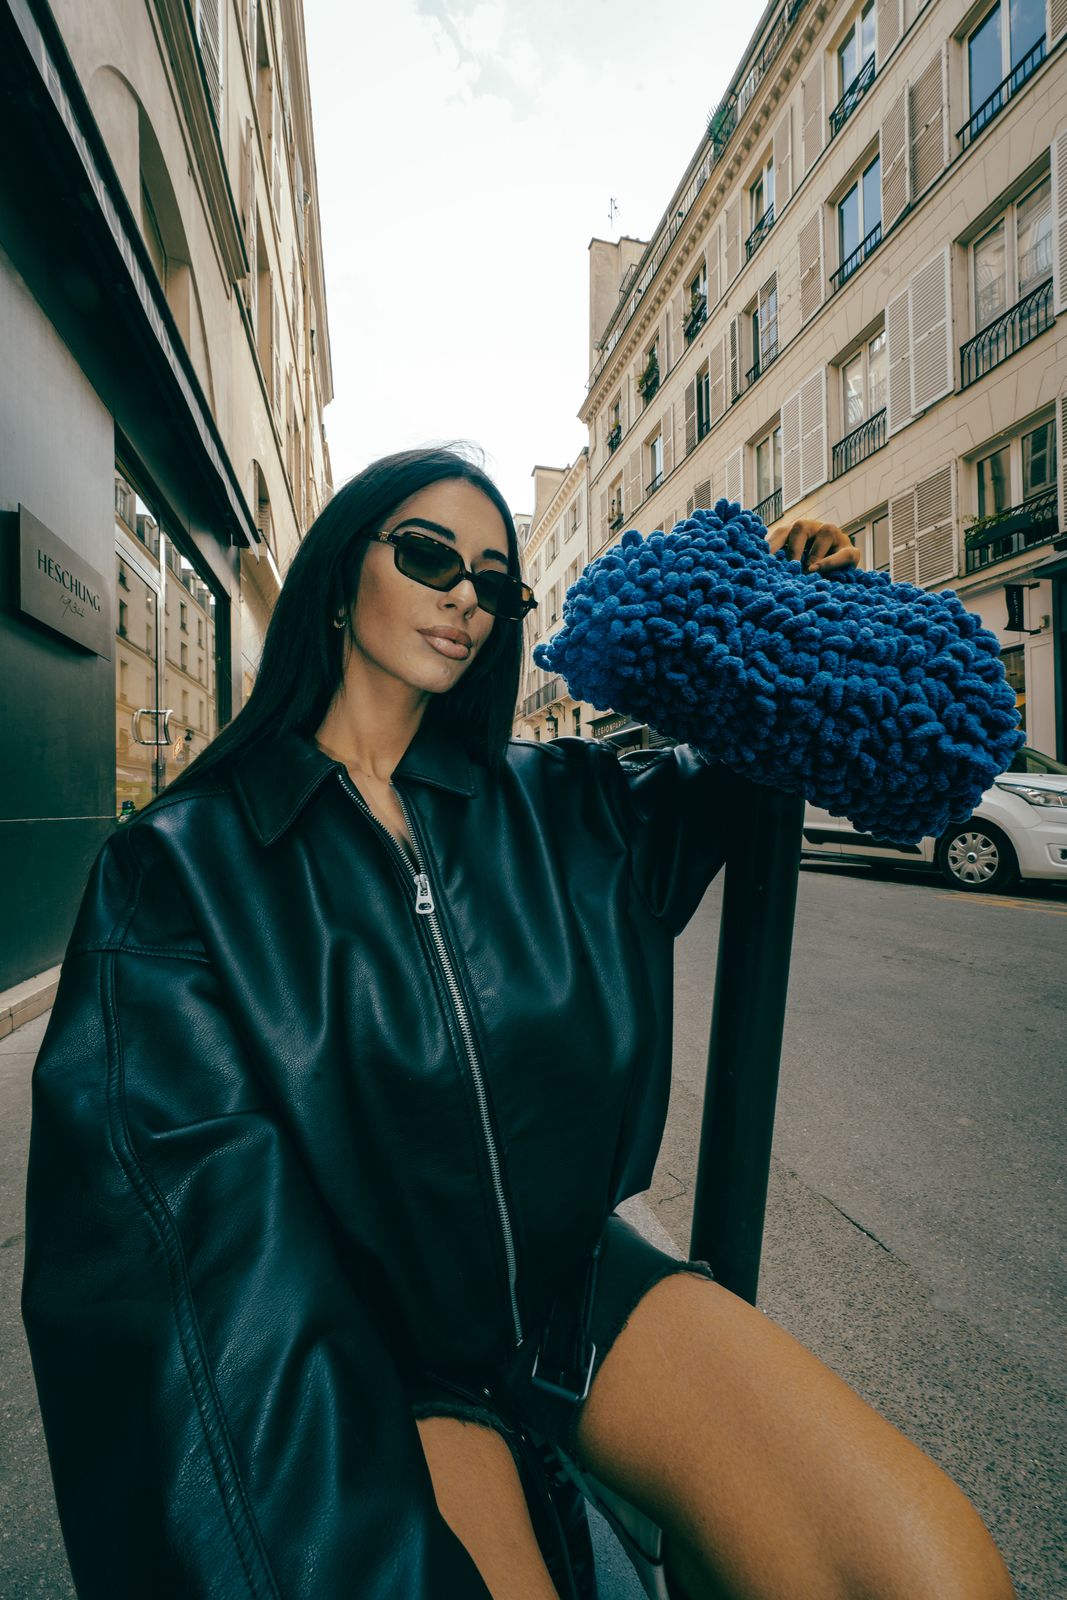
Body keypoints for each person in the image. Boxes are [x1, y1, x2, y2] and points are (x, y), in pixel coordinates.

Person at [22, 446, 1014, 1600]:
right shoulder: (182, 872)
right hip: (375, 1345)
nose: (463, 595)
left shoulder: (565, 804)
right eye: (428, 554)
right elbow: (184, 1279)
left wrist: (799, 596)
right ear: (339, 579)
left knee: (927, 1574)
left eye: (494, 582)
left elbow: (790, 749)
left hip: (572, 1295)